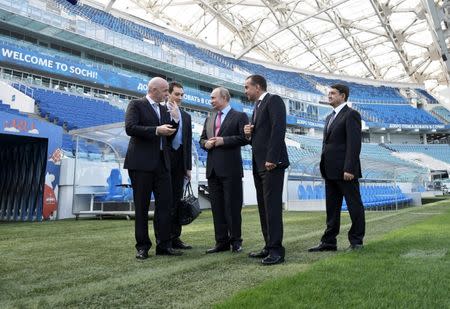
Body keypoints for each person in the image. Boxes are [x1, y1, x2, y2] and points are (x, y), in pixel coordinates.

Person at [124, 77, 183, 260]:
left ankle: (164, 245)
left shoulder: (164, 108)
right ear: (154, 89)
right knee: (141, 207)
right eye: (165, 91)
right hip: (141, 164)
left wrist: (175, 120)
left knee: (165, 205)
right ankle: (142, 246)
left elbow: (169, 133)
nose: (168, 94)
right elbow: (131, 128)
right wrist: (156, 130)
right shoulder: (136, 104)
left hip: (162, 164)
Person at [308, 84, 365, 252]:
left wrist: (349, 168)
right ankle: (329, 242)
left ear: (343, 96)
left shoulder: (351, 115)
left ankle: (356, 242)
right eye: (329, 93)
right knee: (332, 208)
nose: (329, 96)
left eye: (333, 93)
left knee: (354, 206)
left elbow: (354, 144)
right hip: (330, 170)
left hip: (346, 171)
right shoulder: (329, 117)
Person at [243, 75, 289, 265]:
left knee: (272, 207)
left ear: (258, 86)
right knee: (263, 206)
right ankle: (268, 246)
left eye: (247, 87)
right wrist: (249, 134)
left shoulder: (273, 100)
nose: (245, 91)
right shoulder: (257, 107)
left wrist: (272, 158)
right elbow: (262, 135)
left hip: (271, 163)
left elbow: (279, 129)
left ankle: (277, 251)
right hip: (259, 163)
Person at [200, 87, 249, 254]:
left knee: (232, 207)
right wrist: (205, 144)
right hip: (212, 170)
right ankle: (221, 241)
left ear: (224, 98)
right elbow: (202, 139)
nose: (211, 100)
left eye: (213, 98)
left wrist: (224, 140)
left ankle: (236, 241)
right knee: (217, 208)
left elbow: (245, 138)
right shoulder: (209, 118)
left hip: (231, 169)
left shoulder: (239, 116)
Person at [168, 81, 193, 250]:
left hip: (180, 162)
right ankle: (165, 239)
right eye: (177, 94)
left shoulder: (187, 116)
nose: (180, 97)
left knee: (177, 201)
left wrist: (188, 167)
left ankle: (176, 237)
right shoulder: (161, 111)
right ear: (168, 94)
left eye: (182, 95)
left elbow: (188, 143)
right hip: (164, 161)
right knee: (166, 202)